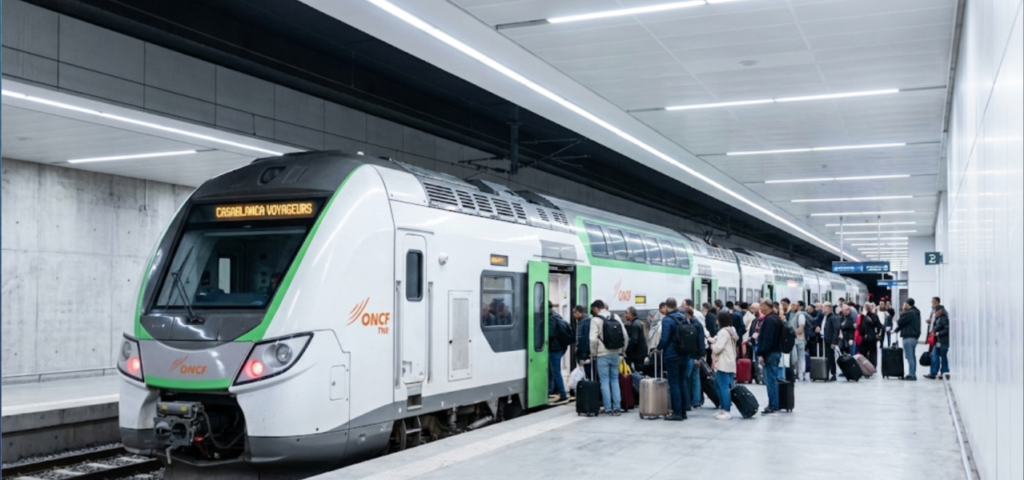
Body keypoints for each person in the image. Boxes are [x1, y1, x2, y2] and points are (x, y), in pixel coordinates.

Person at [589, 300, 629, 415]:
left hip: (602, 354)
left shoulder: (595, 320)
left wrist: (593, 353)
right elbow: (625, 335)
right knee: (615, 380)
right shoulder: (615, 316)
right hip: (615, 353)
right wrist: (623, 350)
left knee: (604, 381)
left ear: (596, 308)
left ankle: (607, 407)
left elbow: (592, 339)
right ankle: (617, 406)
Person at [657, 297, 688, 421]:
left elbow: (664, 339)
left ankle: (677, 412)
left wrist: (658, 348)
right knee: (682, 382)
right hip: (684, 354)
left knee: (674, 383)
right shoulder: (683, 317)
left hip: (672, 354)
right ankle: (684, 410)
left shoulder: (667, 320)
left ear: (667, 306)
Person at [755, 302, 783, 414]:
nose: (760, 308)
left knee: (770, 380)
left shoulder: (769, 320)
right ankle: (774, 403)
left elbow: (767, 339)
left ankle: (773, 405)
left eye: (761, 306)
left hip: (770, 353)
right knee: (772, 379)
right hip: (775, 352)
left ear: (767, 307)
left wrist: (761, 353)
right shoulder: (776, 318)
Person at [710, 311, 738, 419]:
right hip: (729, 361)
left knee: (723, 387)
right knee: (719, 386)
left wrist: (713, 346)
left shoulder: (723, 332)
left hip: (723, 363)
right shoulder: (731, 330)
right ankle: (722, 409)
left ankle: (726, 410)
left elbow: (718, 348)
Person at [893, 299, 922, 381]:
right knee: (912, 356)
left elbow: (900, 322)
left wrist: (903, 312)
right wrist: (896, 330)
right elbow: (905, 324)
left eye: (904, 304)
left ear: (906, 304)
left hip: (908, 337)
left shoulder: (909, 313)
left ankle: (911, 375)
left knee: (909, 356)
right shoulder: (916, 312)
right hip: (914, 338)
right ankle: (912, 373)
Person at [547, 301, 570, 403]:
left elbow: (550, 334)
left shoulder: (551, 318)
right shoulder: (557, 315)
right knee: (553, 370)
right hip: (560, 347)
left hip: (555, 348)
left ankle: (563, 394)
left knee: (556, 371)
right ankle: (552, 390)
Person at [684, 306, 704, 409]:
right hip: (697, 355)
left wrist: (697, 356)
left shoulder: (693, 325)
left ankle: (689, 399)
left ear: (687, 315)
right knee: (696, 377)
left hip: (692, 355)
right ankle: (696, 400)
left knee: (687, 377)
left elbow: (697, 341)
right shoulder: (697, 323)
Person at [925, 305, 950, 379]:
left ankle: (944, 372)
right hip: (937, 341)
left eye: (937, 311)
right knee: (935, 357)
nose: (936, 313)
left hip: (942, 341)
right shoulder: (937, 319)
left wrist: (938, 333)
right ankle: (934, 372)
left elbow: (947, 329)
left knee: (942, 357)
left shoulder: (943, 319)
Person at [788, 302, 809, 381]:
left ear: (798, 307)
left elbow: (800, 329)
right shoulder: (791, 315)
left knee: (800, 358)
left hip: (800, 340)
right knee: (795, 359)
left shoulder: (800, 315)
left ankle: (801, 374)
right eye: (792, 305)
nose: (793, 307)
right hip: (793, 339)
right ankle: (797, 373)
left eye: (794, 305)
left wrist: (791, 332)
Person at [623, 306, 648, 373]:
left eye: (626, 313)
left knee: (635, 372)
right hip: (640, 353)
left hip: (636, 354)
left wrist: (626, 349)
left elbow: (634, 340)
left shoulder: (634, 325)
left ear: (631, 314)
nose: (625, 315)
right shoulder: (638, 323)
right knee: (639, 372)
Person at [823, 303, 841, 381]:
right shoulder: (826, 317)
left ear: (830, 308)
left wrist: (834, 342)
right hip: (826, 340)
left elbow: (835, 330)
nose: (823, 309)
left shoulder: (833, 318)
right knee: (828, 357)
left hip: (830, 341)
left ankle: (833, 373)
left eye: (825, 307)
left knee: (831, 357)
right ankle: (828, 373)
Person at [574, 305, 592, 380]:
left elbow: (582, 337)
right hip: (583, 348)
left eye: (575, 312)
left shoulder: (584, 322)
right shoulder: (582, 321)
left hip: (584, 350)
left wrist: (579, 348)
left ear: (579, 312)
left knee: (585, 369)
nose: (574, 314)